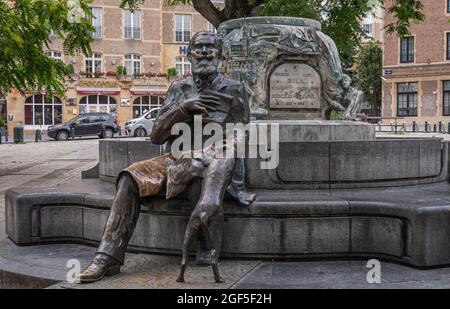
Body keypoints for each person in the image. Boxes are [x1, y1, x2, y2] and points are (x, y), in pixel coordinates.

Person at [78, 32, 255, 283]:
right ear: (190, 53)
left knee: (197, 173)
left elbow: (242, 136)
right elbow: (157, 135)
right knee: (130, 177)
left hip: (214, 162)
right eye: (198, 48)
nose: (204, 52)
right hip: (176, 159)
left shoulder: (235, 90)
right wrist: (183, 110)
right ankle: (107, 257)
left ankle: (206, 246)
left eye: (210, 48)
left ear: (220, 54)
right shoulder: (178, 88)